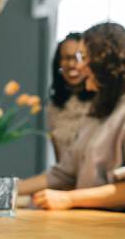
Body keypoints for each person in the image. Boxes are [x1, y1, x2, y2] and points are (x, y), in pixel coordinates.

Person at [19, 22, 125, 214]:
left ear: (105, 62)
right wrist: (10, 190)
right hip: (90, 219)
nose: (79, 66)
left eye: (83, 57)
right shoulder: (99, 107)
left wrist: (69, 198)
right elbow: (65, 172)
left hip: (124, 223)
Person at [46, 32, 94, 163]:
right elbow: (59, 162)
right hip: (65, 181)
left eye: (79, 58)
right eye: (66, 58)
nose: (73, 64)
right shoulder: (53, 108)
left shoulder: (102, 104)